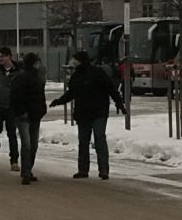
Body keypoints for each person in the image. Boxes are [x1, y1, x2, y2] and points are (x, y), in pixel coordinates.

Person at [50, 51, 126, 180]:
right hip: (87, 113)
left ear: (80, 61)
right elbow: (71, 93)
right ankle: (89, 170)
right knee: (89, 141)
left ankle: (98, 170)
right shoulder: (78, 75)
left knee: (95, 140)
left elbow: (110, 89)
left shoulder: (95, 73)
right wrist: (58, 101)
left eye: (75, 59)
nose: (72, 62)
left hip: (96, 112)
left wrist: (119, 104)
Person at [10, 52, 47, 185]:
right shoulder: (27, 78)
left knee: (30, 145)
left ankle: (27, 170)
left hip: (32, 114)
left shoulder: (33, 77)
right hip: (26, 115)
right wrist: (23, 111)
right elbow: (16, 97)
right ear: (35, 63)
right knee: (29, 144)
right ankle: (26, 171)